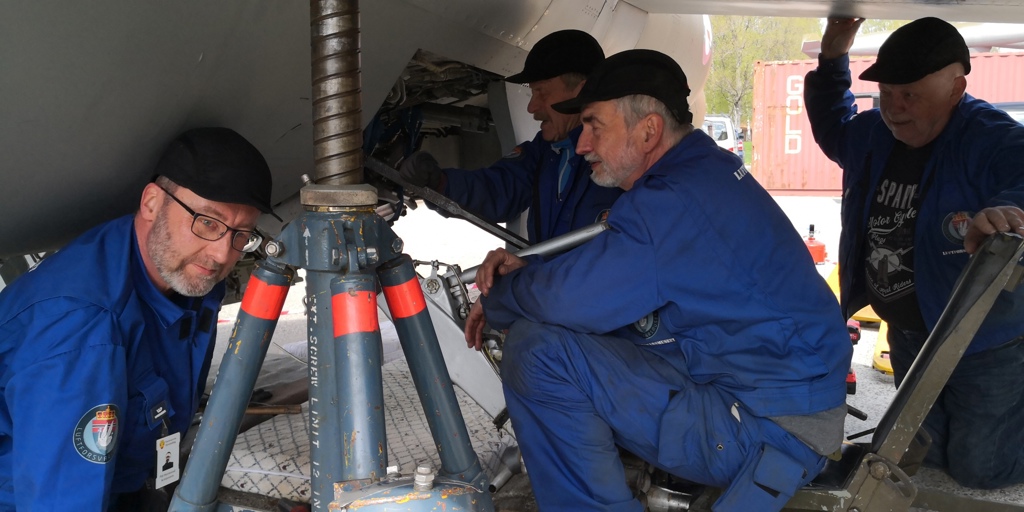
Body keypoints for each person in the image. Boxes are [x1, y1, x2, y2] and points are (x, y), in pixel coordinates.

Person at [465, 49, 852, 511]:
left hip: (767, 426)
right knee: (569, 335)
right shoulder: (700, 171)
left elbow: (575, 298)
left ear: (648, 130)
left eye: (594, 126)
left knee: (537, 353)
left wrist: (500, 298)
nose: (582, 144)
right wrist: (531, 278)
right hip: (784, 399)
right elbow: (603, 275)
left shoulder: (671, 198)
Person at [0, 127, 279, 510]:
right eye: (207, 222)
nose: (221, 254)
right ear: (151, 203)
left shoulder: (182, 273)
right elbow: (61, 502)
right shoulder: (82, 333)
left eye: (241, 234)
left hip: (128, 482)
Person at [805, 17, 1024, 488]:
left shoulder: (989, 137)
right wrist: (833, 59)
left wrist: (1011, 210)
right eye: (886, 94)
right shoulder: (873, 134)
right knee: (927, 452)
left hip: (984, 340)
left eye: (910, 95)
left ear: (955, 88)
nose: (894, 109)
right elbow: (832, 125)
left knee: (981, 467)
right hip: (909, 334)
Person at [399, 29, 622, 243]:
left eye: (541, 92)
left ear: (581, 91)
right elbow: (499, 190)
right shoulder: (544, 152)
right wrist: (440, 183)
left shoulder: (624, 156)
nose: (532, 107)